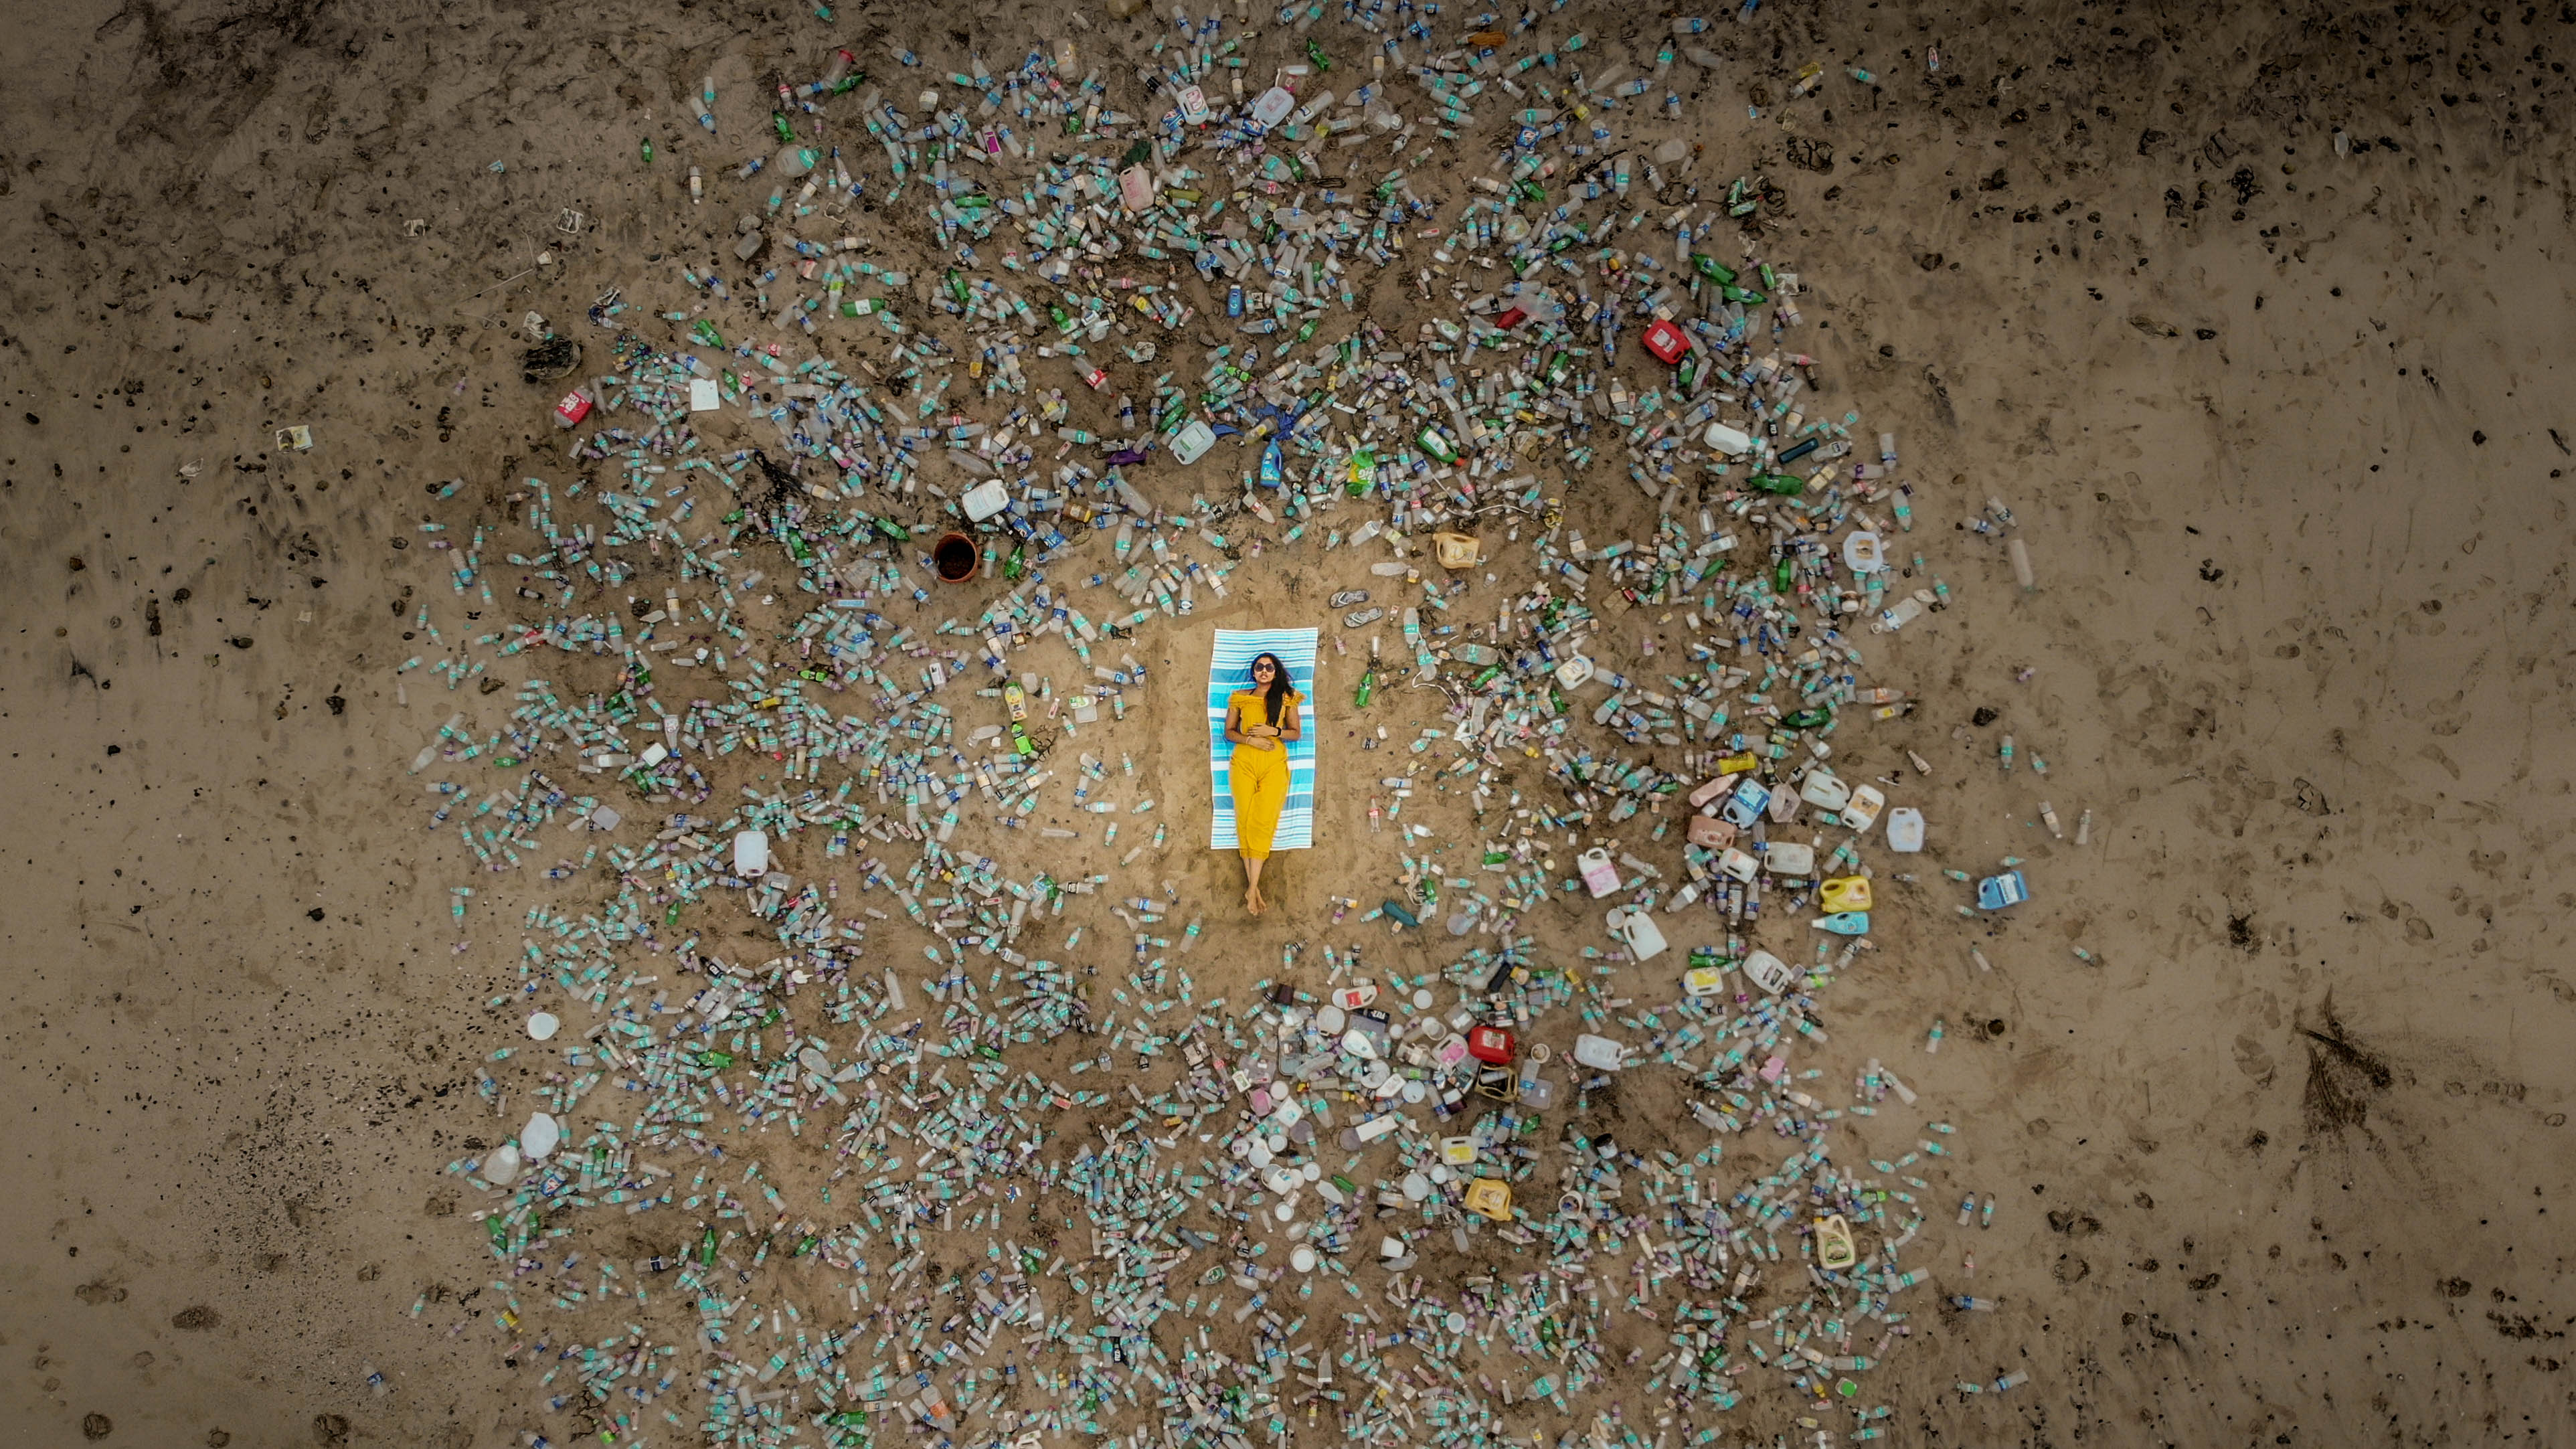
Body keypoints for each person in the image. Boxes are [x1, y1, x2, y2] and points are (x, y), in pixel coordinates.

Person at [1224, 652, 1302, 916]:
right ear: (1254, 672)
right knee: (1244, 820)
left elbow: (1296, 733)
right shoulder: (1240, 697)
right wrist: (1251, 740)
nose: (1264, 671)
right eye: (1259, 667)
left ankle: (1252, 887)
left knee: (1262, 820)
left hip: (1273, 764)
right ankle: (1253, 890)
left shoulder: (1286, 697)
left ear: (1276, 671)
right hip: (1244, 762)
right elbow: (1229, 732)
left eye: (1269, 667)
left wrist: (1273, 732)